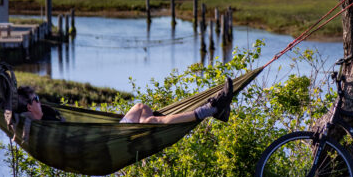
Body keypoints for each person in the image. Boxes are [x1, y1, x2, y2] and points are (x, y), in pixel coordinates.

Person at [16, 78, 234, 125]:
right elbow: (15, 119)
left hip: (106, 136)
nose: (39, 100)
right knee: (151, 123)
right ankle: (211, 108)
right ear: (28, 105)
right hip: (102, 146)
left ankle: (215, 110)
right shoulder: (31, 123)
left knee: (141, 107)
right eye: (35, 99)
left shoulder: (47, 113)